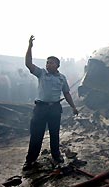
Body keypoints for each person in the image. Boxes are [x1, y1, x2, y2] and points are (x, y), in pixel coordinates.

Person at [22, 35, 79, 171]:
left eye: (51, 62)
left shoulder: (62, 78)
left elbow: (66, 93)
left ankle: (56, 156)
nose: (48, 64)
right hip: (40, 108)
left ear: (57, 65)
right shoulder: (41, 74)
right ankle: (30, 161)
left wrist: (73, 107)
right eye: (47, 62)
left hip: (55, 109)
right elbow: (28, 63)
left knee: (55, 134)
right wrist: (30, 46)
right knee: (37, 135)